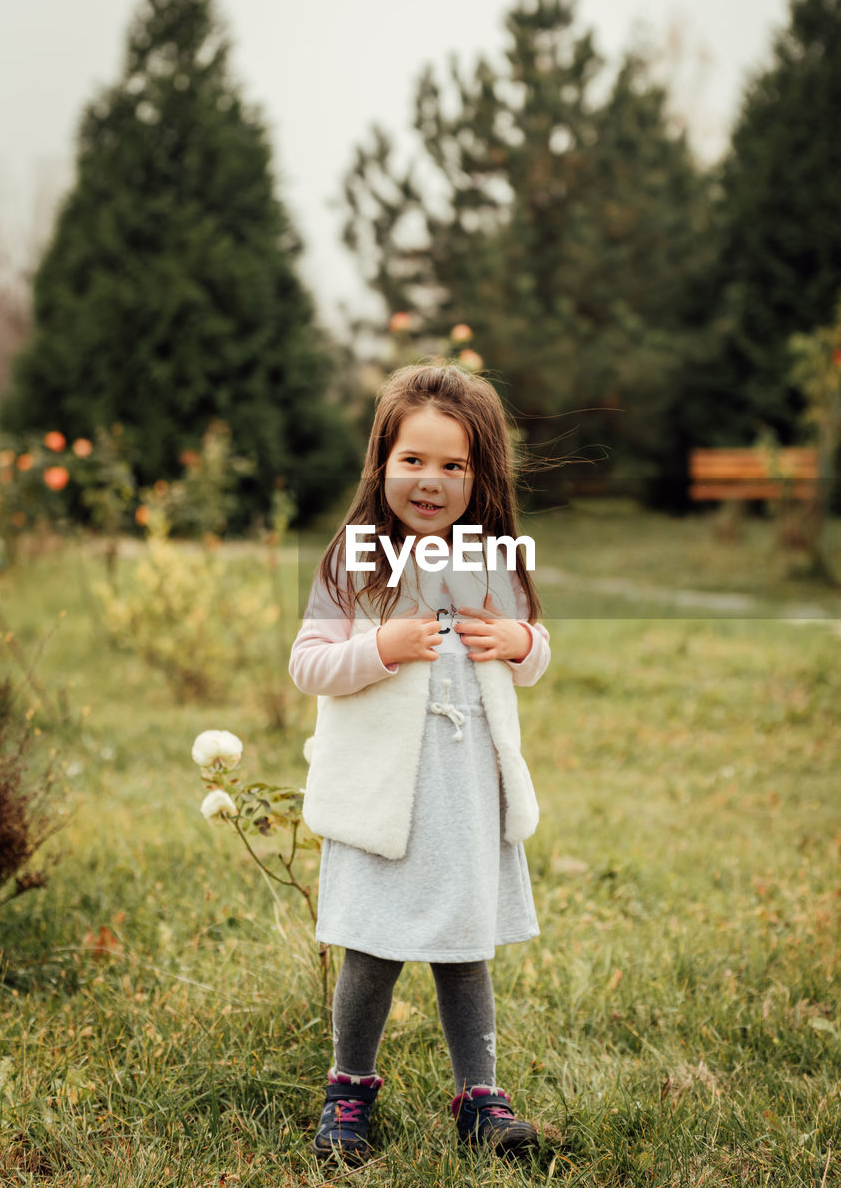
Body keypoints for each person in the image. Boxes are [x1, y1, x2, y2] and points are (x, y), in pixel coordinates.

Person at [288, 361, 551, 1161]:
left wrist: (518, 642)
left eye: (452, 465)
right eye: (413, 460)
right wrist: (377, 647)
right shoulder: (355, 560)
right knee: (371, 945)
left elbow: (534, 654)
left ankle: (481, 1099)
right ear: (381, 463)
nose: (430, 481)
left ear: (479, 477)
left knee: (464, 944)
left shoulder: (494, 560)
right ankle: (349, 1091)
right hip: (381, 794)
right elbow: (306, 663)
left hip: (464, 790)